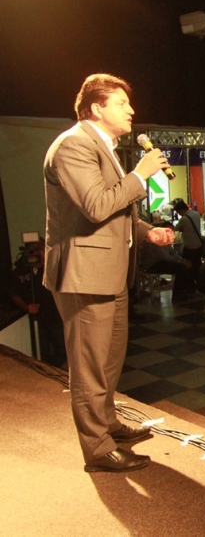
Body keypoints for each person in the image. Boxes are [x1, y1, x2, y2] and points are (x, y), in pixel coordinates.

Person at [44, 73, 174, 472]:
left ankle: (108, 423)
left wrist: (146, 231)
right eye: (121, 103)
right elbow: (97, 205)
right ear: (96, 108)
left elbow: (114, 210)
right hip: (84, 274)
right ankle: (98, 449)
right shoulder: (73, 145)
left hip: (110, 273)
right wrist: (141, 174)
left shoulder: (103, 146)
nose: (131, 110)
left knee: (109, 360)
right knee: (89, 367)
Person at [11, 239, 66, 367]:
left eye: (41, 249)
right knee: (41, 353)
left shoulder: (51, 269)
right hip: (35, 320)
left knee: (63, 351)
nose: (38, 253)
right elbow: (14, 294)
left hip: (54, 316)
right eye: (34, 250)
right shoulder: (20, 272)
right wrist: (27, 307)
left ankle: (52, 369)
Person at [137, 224, 195, 299]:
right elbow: (165, 256)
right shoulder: (157, 240)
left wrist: (182, 260)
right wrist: (181, 262)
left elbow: (172, 253)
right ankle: (177, 294)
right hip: (152, 264)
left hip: (161, 262)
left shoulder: (166, 241)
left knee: (187, 264)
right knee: (180, 268)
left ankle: (187, 289)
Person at [172, 199, 203, 295]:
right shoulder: (196, 214)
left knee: (187, 266)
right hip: (198, 244)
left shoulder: (184, 219)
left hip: (189, 246)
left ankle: (189, 286)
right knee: (197, 265)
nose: (179, 214)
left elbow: (177, 228)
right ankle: (199, 286)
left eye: (178, 212)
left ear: (181, 210)